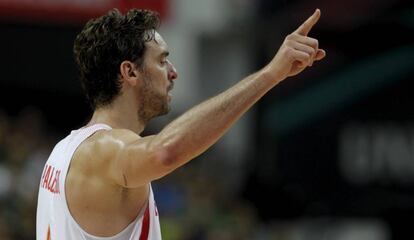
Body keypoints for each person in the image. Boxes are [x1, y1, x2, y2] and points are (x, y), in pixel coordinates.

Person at [36, 8, 326, 240]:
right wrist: (271, 75)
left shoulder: (63, 151)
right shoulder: (104, 149)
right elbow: (166, 151)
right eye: (162, 61)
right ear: (130, 72)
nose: (173, 73)